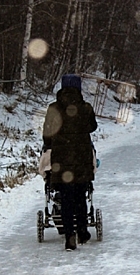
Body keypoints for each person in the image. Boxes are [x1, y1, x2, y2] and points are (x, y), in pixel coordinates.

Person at [43, 74, 98, 250]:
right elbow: (92, 127)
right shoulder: (86, 108)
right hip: (81, 157)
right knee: (80, 195)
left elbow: (47, 133)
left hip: (61, 159)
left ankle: (69, 236)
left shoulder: (53, 108)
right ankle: (82, 230)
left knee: (66, 197)